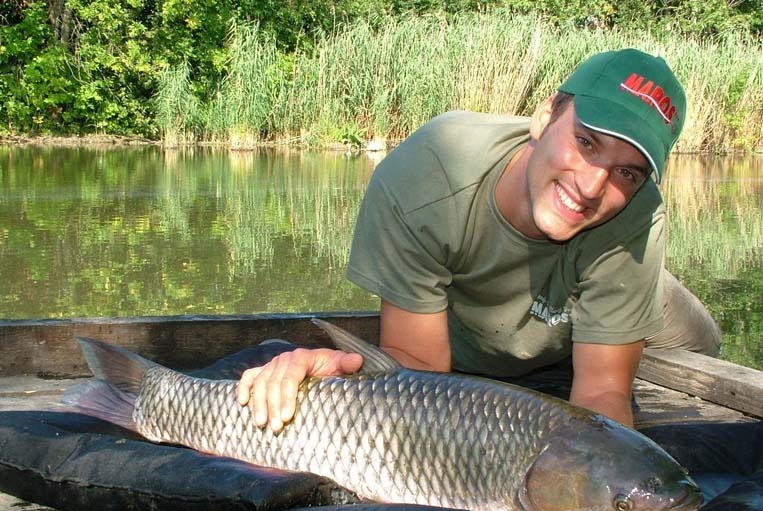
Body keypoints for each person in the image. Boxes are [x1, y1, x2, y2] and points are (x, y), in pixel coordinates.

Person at [236, 48, 721, 431]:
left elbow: (600, 395)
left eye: (627, 172)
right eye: (586, 142)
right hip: (481, 331)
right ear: (544, 117)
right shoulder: (430, 174)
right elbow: (419, 376)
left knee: (703, 342)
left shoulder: (636, 213)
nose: (592, 186)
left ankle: (624, 314)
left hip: (608, 298)